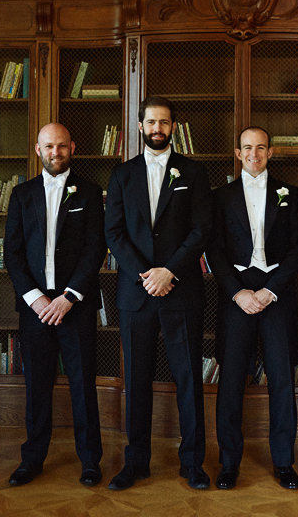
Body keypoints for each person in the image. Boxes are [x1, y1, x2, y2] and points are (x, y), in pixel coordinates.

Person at [105, 95, 213, 491]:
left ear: (173, 127)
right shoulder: (122, 174)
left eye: (164, 122)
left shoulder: (194, 172)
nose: (157, 129)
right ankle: (136, 462)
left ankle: (193, 463)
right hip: (136, 294)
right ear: (140, 126)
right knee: (136, 380)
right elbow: (114, 233)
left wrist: (169, 271)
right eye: (151, 122)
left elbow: (202, 229)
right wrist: (146, 275)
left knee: (189, 379)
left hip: (181, 290)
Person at [4, 123, 106, 487]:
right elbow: (12, 253)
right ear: (38, 150)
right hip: (35, 308)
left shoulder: (90, 193)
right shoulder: (21, 194)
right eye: (49, 146)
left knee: (83, 385)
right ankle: (32, 459)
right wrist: (36, 300)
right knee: (37, 386)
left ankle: (90, 461)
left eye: (62, 146)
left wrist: (69, 297)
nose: (55, 152)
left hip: (75, 305)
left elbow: (95, 248)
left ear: (72, 147)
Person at [206, 126, 298, 491]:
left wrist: (270, 291)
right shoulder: (220, 197)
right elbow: (214, 250)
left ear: (270, 152)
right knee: (231, 380)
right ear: (238, 152)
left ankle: (284, 462)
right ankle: (229, 463)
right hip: (236, 296)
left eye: (261, 148)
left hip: (277, 294)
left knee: (282, 379)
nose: (254, 154)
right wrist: (238, 293)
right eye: (247, 148)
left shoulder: (291, 194)